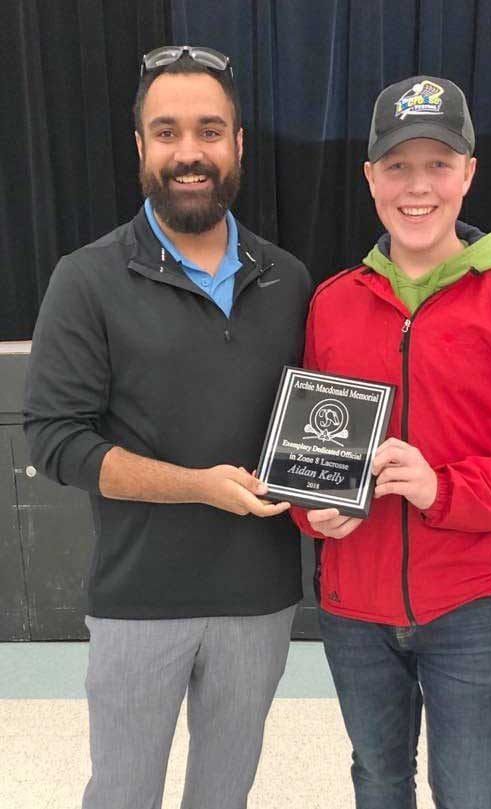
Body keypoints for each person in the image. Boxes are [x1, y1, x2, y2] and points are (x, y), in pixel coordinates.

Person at [291, 75, 491, 809]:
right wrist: (315, 510)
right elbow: (310, 444)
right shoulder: (331, 303)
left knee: (471, 791)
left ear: (468, 173)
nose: (416, 186)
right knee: (377, 780)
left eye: (437, 164)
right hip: (353, 611)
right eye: (397, 166)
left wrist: (443, 489)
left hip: (473, 608)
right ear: (370, 179)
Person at [24, 45, 311, 809]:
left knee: (224, 797)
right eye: (167, 131)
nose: (190, 152)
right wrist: (197, 487)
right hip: (138, 599)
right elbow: (55, 439)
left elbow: (316, 430)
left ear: (240, 143)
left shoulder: (288, 279)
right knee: (121, 794)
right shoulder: (86, 279)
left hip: (261, 599)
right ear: (141, 146)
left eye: (210, 131)